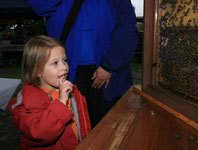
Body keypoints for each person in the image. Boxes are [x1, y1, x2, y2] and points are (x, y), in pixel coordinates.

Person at [27, 0, 139, 128]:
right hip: (66, 70)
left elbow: (127, 28)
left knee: (109, 127)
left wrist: (110, 65)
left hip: (108, 72)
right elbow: (39, 6)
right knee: (72, 127)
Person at [8, 35, 91, 150]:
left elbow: (82, 122)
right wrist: (61, 102)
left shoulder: (72, 91)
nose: (64, 67)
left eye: (64, 60)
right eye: (55, 63)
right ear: (37, 70)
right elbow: (41, 133)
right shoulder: (28, 102)